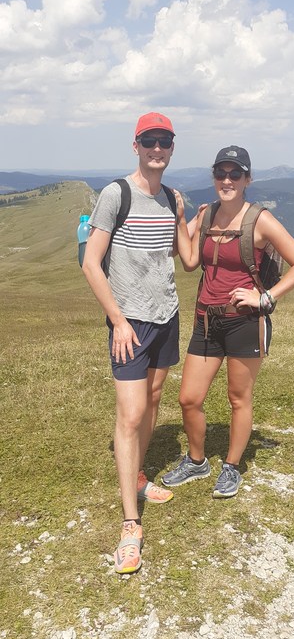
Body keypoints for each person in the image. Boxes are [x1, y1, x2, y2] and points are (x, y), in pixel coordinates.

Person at [162, 145, 294, 498]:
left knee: (238, 398)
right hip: (206, 319)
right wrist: (182, 219)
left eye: (235, 174)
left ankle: (231, 467)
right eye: (221, 173)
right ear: (214, 176)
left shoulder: (260, 220)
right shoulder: (208, 213)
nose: (226, 180)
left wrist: (265, 297)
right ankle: (197, 461)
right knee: (189, 398)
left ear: (248, 179)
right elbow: (188, 261)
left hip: (245, 321)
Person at [82, 112, 189, 575]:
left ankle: (141, 476)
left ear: (171, 146)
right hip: (131, 324)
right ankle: (130, 523)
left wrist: (189, 217)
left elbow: (184, 261)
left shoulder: (169, 198)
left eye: (164, 141)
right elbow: (91, 262)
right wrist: (119, 322)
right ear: (136, 145)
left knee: (153, 399)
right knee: (130, 414)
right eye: (149, 141)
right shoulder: (116, 195)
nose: (157, 149)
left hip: (166, 316)